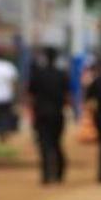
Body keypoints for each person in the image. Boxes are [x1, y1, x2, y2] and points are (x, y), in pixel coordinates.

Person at [28, 47, 70, 185]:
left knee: (44, 144)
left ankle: (46, 175)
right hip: (57, 113)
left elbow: (30, 94)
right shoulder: (62, 74)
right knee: (57, 143)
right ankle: (59, 173)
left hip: (41, 113)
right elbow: (67, 95)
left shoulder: (38, 74)